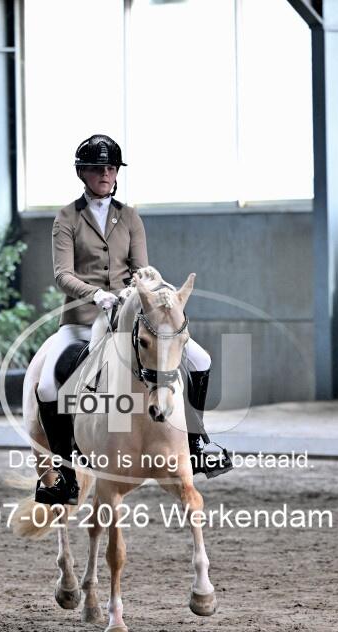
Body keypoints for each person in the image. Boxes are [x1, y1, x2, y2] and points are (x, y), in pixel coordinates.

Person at [35, 134, 232, 505]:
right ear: (82, 173)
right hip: (82, 318)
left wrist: (137, 293)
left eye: (111, 168)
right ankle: (65, 474)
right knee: (47, 386)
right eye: (98, 168)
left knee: (200, 359)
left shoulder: (129, 217)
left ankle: (197, 443)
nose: (106, 175)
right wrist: (95, 294)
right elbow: (62, 274)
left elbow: (142, 269)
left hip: (129, 315)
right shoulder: (66, 218)